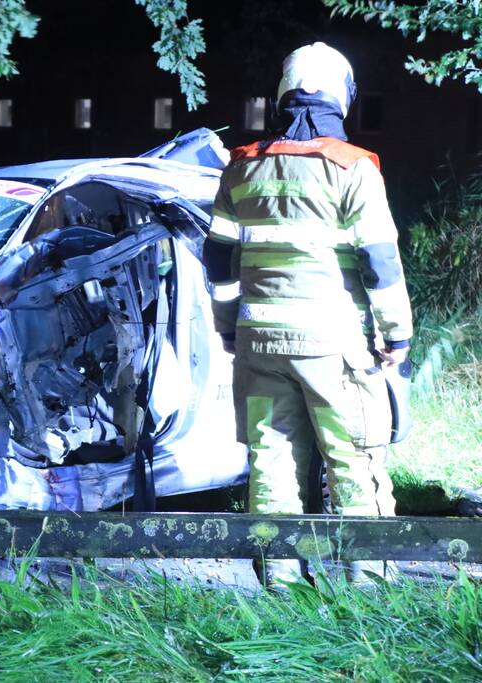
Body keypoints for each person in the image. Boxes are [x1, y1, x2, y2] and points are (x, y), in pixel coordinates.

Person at [202, 42, 413, 587]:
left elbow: (219, 259)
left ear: (282, 95)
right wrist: (397, 336)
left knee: (270, 463)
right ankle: (366, 584)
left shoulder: (242, 169)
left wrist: (229, 326)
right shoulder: (353, 171)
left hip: (259, 342)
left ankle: (280, 581)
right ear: (341, 98)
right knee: (352, 459)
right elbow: (380, 263)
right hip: (334, 345)